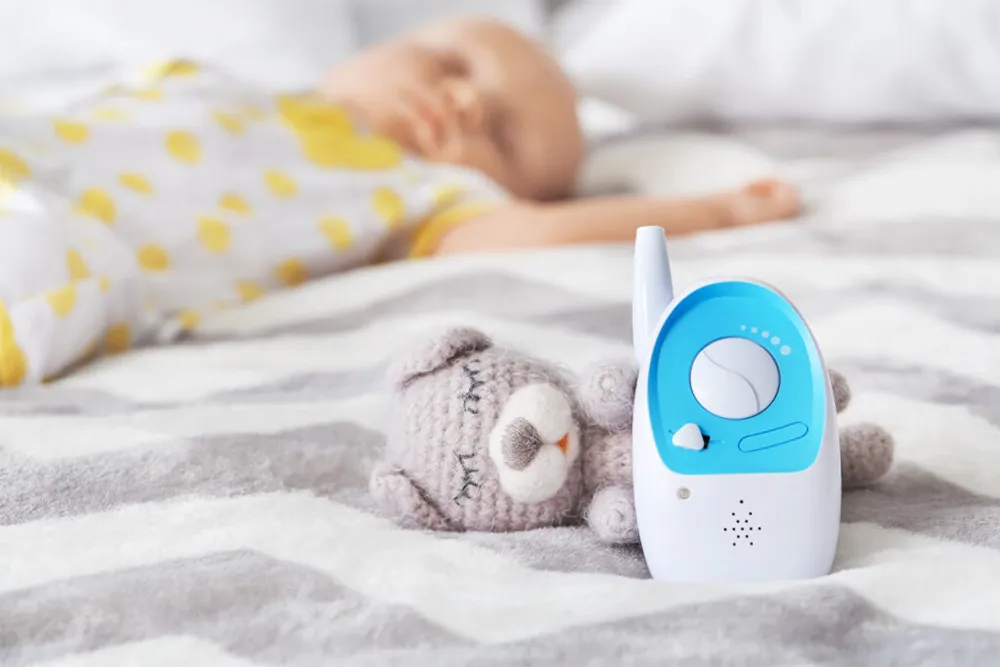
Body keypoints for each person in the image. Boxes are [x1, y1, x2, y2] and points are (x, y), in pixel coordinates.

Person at [0, 16, 799, 388]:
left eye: (504, 136)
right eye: (451, 63)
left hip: (68, 251)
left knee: (45, 275)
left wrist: (716, 213)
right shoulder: (221, 81)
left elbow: (533, 230)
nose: (466, 101)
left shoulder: (419, 193)